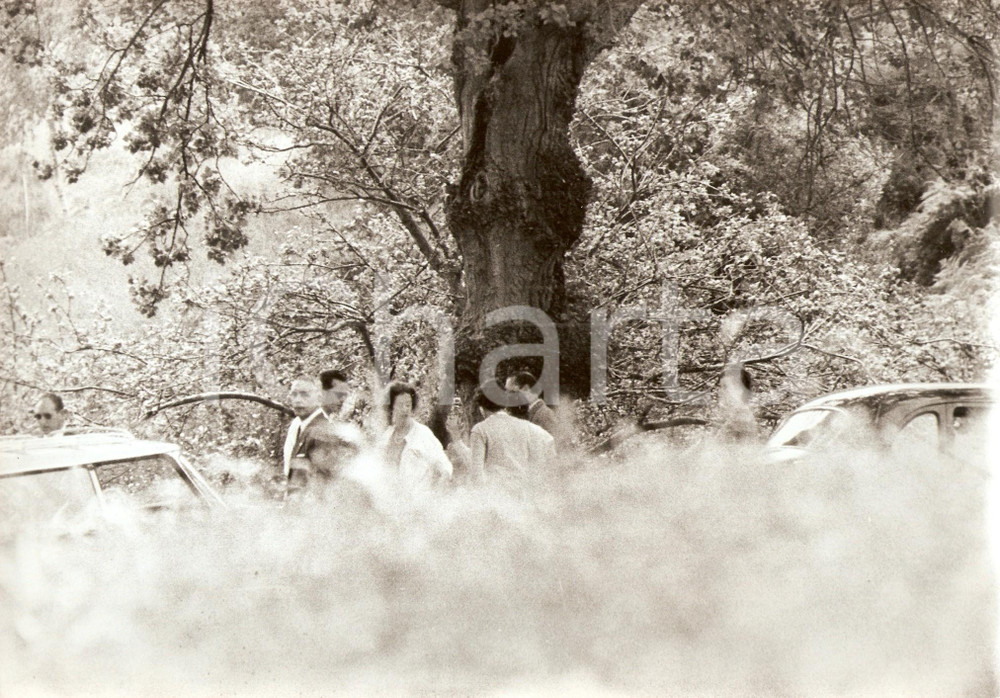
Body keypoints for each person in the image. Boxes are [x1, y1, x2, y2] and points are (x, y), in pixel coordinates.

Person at [288, 368, 365, 493]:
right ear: (322, 393)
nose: (342, 400)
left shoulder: (320, 425)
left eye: (345, 395)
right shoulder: (308, 425)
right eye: (338, 394)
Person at [469, 383, 555, 488]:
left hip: (495, 494)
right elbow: (549, 441)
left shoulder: (480, 429)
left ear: (481, 408)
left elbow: (477, 475)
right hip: (522, 492)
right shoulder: (527, 427)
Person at [378, 382, 452, 490]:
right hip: (390, 502)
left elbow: (446, 468)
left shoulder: (423, 433)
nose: (405, 409)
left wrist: (435, 496)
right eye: (400, 405)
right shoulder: (387, 436)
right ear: (391, 407)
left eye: (408, 404)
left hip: (418, 502)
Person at [505, 371, 573, 449]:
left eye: (511, 391)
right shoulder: (531, 413)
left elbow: (558, 449)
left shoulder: (544, 415)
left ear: (525, 389)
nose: (507, 396)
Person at [282, 377, 323, 478]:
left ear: (319, 398)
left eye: (304, 395)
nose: (298, 400)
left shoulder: (323, 431)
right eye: (294, 394)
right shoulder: (296, 425)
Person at [428, 398, 472, 481]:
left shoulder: (466, 448)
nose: (448, 418)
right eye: (448, 415)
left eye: (452, 415)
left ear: (462, 422)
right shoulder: (449, 447)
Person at [716, 362, 760, 442]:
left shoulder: (741, 416)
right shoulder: (732, 414)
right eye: (721, 387)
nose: (721, 392)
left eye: (725, 387)